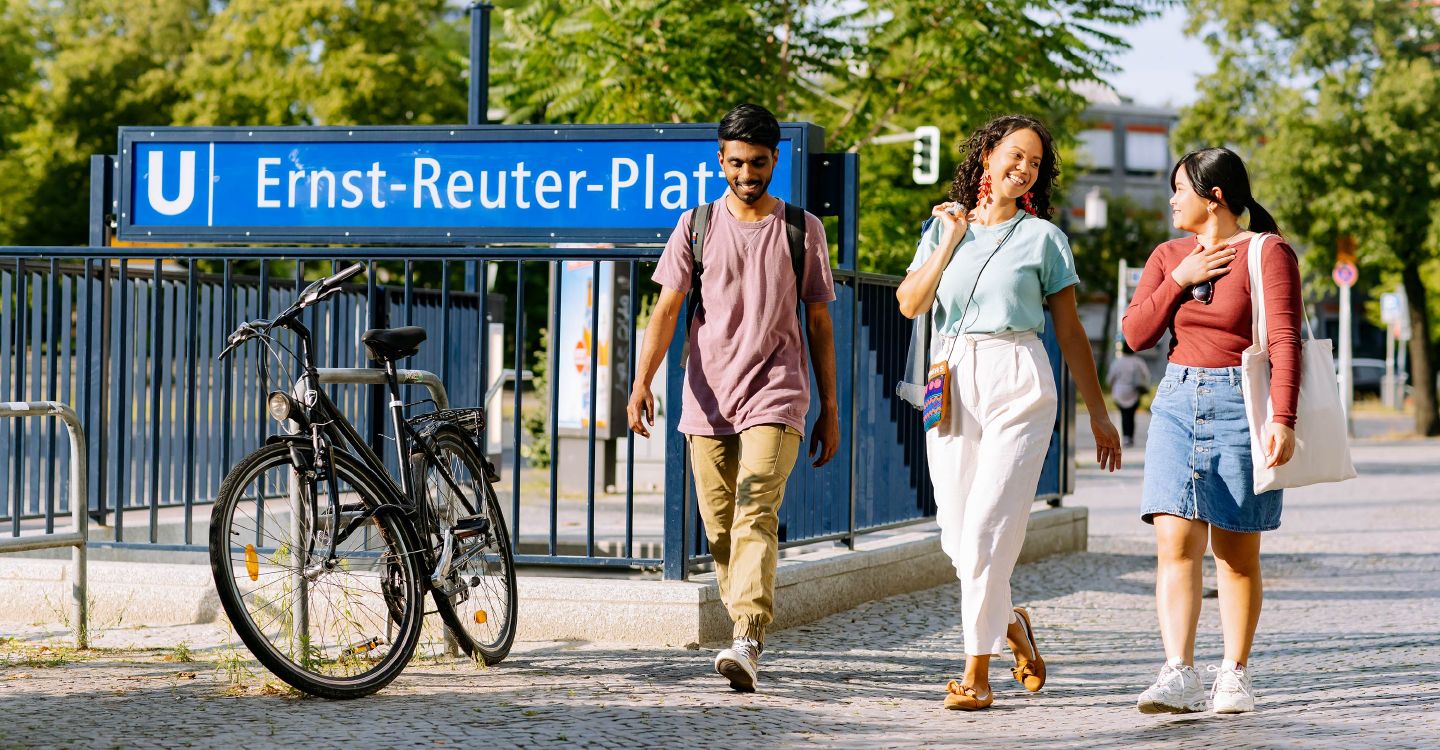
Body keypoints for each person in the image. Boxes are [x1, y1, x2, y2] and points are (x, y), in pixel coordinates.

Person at [895, 114, 1121, 711]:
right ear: (988, 155)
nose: (1024, 169)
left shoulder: (1043, 238)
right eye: (1016, 155)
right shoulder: (943, 226)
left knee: (988, 528)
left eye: (1035, 164)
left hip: (1019, 377)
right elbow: (910, 303)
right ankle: (1013, 626)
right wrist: (949, 239)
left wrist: (1098, 414)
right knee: (956, 535)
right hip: (949, 376)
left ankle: (976, 673)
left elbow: (1069, 331)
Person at [627, 103, 839, 693]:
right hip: (708, 396)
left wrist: (830, 408)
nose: (748, 173)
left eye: (760, 162)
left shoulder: (801, 229)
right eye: (738, 162)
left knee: (754, 509)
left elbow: (819, 323)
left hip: (777, 392)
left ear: (776, 160)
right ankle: (743, 627)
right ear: (720, 160)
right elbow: (667, 309)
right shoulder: (695, 225)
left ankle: (747, 634)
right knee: (720, 528)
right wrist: (642, 382)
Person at [1122, 147, 1300, 715]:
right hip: (1176, 400)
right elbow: (1135, 335)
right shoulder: (1168, 255)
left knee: (1235, 552)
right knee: (1174, 542)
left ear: (1214, 196)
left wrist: (1283, 418)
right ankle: (1179, 672)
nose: (1172, 200)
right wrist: (1180, 279)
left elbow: (1284, 341)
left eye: (1180, 189)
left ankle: (1234, 675)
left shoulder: (1267, 252)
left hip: (1239, 403)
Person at [1108, 340, 1152, 447]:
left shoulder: (1117, 362)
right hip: (1134, 392)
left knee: (1124, 414)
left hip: (1119, 393)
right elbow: (1146, 375)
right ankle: (1130, 437)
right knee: (1131, 415)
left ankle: (1126, 437)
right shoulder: (1138, 362)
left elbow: (1110, 379)